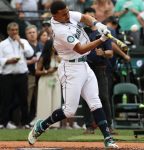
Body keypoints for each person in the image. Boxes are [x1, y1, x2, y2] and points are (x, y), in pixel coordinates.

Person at [28, 1, 119, 149]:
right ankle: (42, 125)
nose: (67, 14)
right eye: (63, 13)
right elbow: (81, 49)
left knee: (95, 102)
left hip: (84, 65)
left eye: (67, 11)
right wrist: (101, 39)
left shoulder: (67, 14)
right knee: (69, 111)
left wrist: (98, 24)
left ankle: (108, 139)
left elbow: (85, 18)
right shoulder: (59, 30)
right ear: (55, 16)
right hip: (70, 68)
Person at [0, 22, 34, 128]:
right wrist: (7, 60)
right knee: (6, 99)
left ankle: (25, 122)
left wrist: (21, 43)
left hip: (22, 75)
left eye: (16, 30)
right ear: (8, 31)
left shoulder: (23, 41)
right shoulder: (2, 44)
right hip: (7, 75)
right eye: (12, 30)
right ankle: (3, 122)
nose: (15, 32)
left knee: (24, 99)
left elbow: (30, 54)